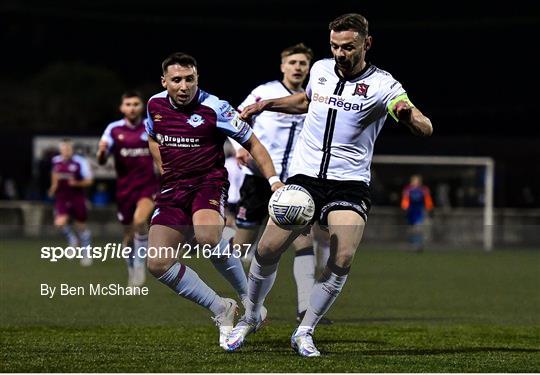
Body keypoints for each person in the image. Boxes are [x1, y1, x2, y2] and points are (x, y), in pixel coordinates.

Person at [226, 13, 433, 357]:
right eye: (335, 46)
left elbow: (414, 116)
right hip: (304, 179)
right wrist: (265, 105)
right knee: (265, 251)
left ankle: (305, 330)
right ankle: (249, 318)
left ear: (367, 44)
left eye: (348, 47)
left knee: (343, 256)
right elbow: (306, 100)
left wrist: (413, 118)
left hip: (349, 184)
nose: (340, 53)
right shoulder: (321, 70)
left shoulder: (384, 85)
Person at [144, 52, 282, 350]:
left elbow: (253, 143)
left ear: (197, 79)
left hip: (208, 183)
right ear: (164, 81)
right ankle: (221, 307)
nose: (184, 86)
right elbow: (152, 136)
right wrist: (162, 166)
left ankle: (249, 298)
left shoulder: (216, 107)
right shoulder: (154, 104)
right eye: (177, 80)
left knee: (207, 236)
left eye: (189, 79)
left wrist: (273, 181)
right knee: (156, 262)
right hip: (173, 188)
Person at [231, 43, 332, 325]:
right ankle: (246, 303)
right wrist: (239, 147)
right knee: (242, 246)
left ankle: (304, 308)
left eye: (303, 63)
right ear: (283, 66)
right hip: (259, 178)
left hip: (294, 182)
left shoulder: (316, 97)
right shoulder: (265, 92)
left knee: (303, 241)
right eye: (293, 62)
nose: (298, 67)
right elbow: (236, 119)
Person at [96, 91, 160, 286]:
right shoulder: (114, 129)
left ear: (142, 106)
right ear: (122, 108)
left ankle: (140, 267)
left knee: (140, 221)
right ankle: (131, 268)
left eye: (135, 104)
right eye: (128, 104)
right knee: (128, 235)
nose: (132, 107)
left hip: (148, 186)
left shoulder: (151, 126)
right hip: (124, 189)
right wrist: (102, 153)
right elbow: (102, 155)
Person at [48, 139, 94, 266]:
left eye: (68, 149)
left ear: (72, 150)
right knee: (59, 222)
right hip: (62, 197)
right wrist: (53, 186)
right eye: (63, 149)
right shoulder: (56, 160)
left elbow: (89, 181)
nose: (66, 151)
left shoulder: (81, 162)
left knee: (81, 226)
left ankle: (86, 253)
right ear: (60, 150)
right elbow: (54, 173)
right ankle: (73, 240)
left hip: (77, 197)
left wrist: (77, 183)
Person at [401, 174, 434, 252]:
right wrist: (404, 207)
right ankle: (412, 244)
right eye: (413, 180)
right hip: (411, 211)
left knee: (418, 228)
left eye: (415, 180)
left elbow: (428, 200)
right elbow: (405, 200)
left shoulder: (423, 189)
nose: (413, 182)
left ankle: (418, 245)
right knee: (411, 228)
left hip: (419, 211)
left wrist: (429, 208)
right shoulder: (408, 189)